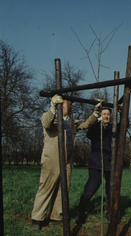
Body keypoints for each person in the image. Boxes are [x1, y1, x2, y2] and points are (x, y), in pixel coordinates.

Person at [31, 94, 102, 230]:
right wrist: (52, 107)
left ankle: (56, 215)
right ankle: (37, 218)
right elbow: (46, 122)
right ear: (62, 104)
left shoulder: (71, 121)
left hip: (67, 161)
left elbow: (86, 124)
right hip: (52, 159)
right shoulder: (51, 118)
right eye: (70, 104)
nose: (72, 106)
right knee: (46, 187)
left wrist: (96, 112)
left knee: (63, 189)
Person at [76, 106, 121, 225]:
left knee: (110, 191)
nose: (106, 116)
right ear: (101, 116)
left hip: (110, 164)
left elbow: (124, 126)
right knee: (89, 190)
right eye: (104, 114)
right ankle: (81, 212)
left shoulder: (113, 128)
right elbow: (89, 134)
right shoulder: (96, 128)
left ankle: (109, 213)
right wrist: (97, 121)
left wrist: (122, 113)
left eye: (108, 114)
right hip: (96, 164)